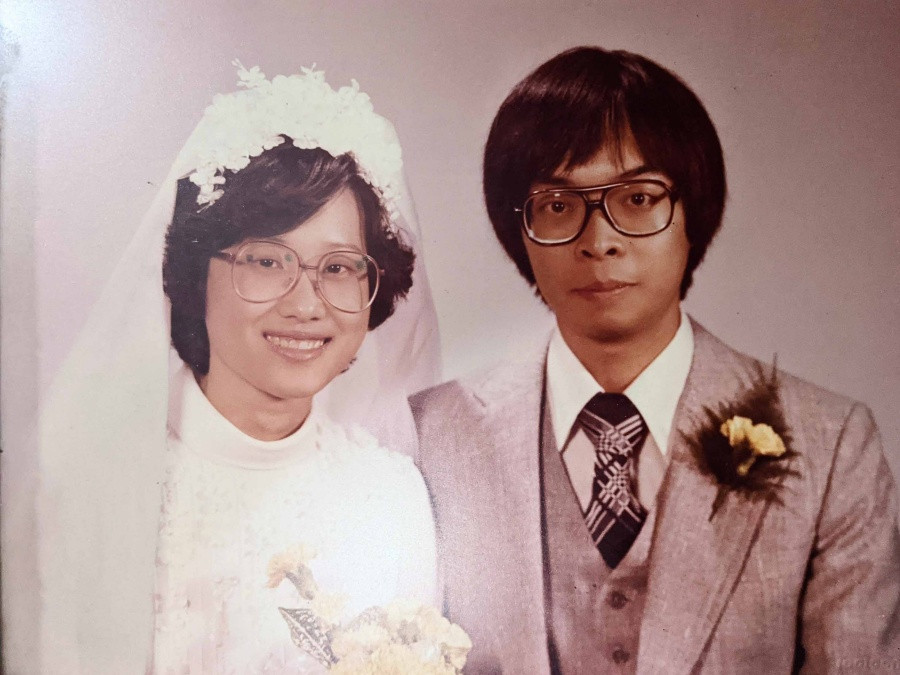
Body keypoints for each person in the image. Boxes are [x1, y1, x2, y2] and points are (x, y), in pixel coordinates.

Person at [412, 46, 900, 673]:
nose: (600, 241)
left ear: (694, 212)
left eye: (639, 199)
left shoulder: (830, 446)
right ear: (520, 233)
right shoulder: (431, 437)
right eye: (558, 206)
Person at [7, 64, 439, 673]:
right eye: (267, 261)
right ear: (193, 275)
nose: (306, 304)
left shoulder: (390, 497)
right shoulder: (92, 485)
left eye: (339, 267)